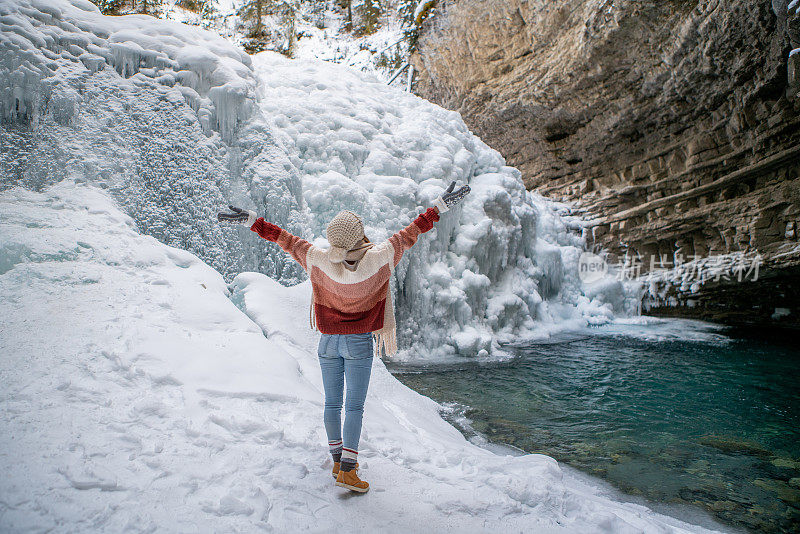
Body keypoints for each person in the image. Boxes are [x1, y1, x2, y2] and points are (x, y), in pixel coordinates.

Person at [217, 181, 471, 493]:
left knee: (332, 403)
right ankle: (348, 471)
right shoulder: (379, 257)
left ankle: (338, 460)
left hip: (327, 343)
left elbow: (286, 240)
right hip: (359, 343)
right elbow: (410, 233)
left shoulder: (318, 259)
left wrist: (255, 223)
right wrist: (438, 209)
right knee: (354, 407)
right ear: (359, 236)